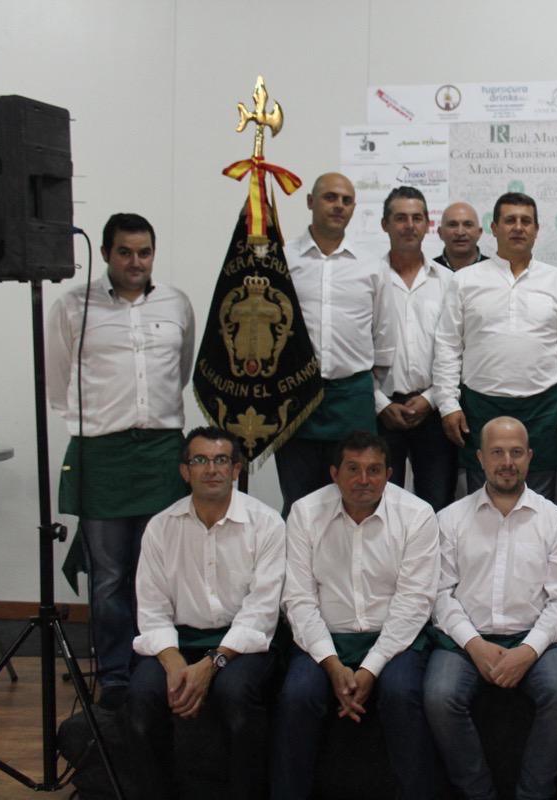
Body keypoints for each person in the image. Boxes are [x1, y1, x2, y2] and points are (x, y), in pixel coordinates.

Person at [47, 212, 195, 708]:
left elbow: (181, 371)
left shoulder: (176, 303)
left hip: (159, 452)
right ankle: (113, 675)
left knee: (157, 570)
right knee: (109, 575)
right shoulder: (73, 306)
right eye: (125, 252)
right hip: (102, 454)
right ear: (107, 253)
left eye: (145, 252)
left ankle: (156, 665)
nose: (136, 262)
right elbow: (59, 381)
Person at [424, 417, 557, 800]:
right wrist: (474, 645)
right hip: (465, 640)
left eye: (516, 452)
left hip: (537, 638)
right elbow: (439, 595)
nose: (507, 461)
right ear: (480, 457)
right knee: (438, 696)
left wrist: (528, 651)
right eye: (497, 452)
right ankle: (478, 792)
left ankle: (534, 792)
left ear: (529, 457)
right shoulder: (449, 520)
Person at [275, 430, 439, 800]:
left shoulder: (417, 515)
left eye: (374, 470)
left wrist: (370, 668)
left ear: (389, 474)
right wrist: (332, 665)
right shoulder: (304, 513)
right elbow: (299, 600)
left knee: (401, 694)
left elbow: (414, 602)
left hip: (394, 639)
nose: (364, 480)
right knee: (297, 697)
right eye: (353, 469)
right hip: (325, 638)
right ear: (334, 473)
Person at [127, 427, 284, 799]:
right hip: (176, 643)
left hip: (240, 645)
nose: (211, 469)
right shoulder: (160, 527)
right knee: (143, 697)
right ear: (185, 471)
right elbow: (151, 610)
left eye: (220, 460)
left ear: (235, 469)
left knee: (235, 694)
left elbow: (262, 610)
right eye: (200, 460)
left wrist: (211, 665)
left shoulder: (267, 524)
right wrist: (175, 666)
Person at [433, 192, 557, 501]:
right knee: (483, 502)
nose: (518, 227)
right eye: (510, 220)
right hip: (480, 407)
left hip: (543, 409)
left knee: (541, 504)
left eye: (526, 221)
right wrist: (448, 405)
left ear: (537, 229)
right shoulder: (465, 281)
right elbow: (448, 348)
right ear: (493, 228)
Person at [278, 172, 395, 513]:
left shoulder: (371, 266)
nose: (339, 206)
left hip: (352, 399)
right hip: (296, 397)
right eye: (330, 197)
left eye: (346, 200)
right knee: (299, 503)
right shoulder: (283, 260)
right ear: (311, 202)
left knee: (357, 501)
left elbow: (383, 339)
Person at [378, 186, 458, 510]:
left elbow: (459, 349)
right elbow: (356, 349)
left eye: (417, 218)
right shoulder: (369, 279)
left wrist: (430, 399)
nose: (409, 226)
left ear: (428, 225)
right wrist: (379, 403)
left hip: (435, 410)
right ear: (385, 224)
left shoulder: (450, 282)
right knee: (380, 506)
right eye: (400, 218)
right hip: (381, 412)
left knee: (438, 505)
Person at [434, 201, 489, 270]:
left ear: (479, 232)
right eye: (452, 225)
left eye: (468, 225)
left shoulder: (495, 272)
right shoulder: (429, 271)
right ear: (440, 233)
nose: (460, 232)